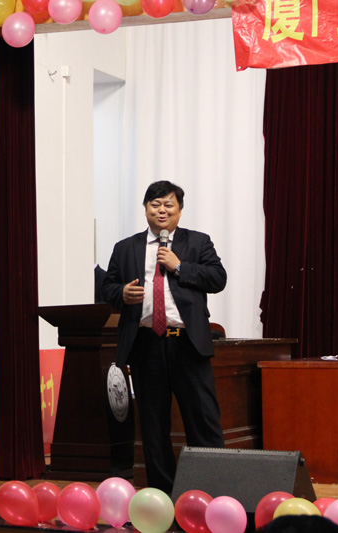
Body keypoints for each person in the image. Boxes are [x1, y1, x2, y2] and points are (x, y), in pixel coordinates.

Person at [100, 180, 227, 494]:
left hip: (187, 345)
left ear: (179, 210)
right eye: (155, 204)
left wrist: (180, 266)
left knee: (203, 422)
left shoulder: (198, 242)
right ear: (145, 209)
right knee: (153, 427)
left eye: (169, 205)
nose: (162, 211)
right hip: (146, 346)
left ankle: (212, 492)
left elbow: (217, 278)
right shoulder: (125, 247)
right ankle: (164, 496)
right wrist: (121, 293)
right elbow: (108, 287)